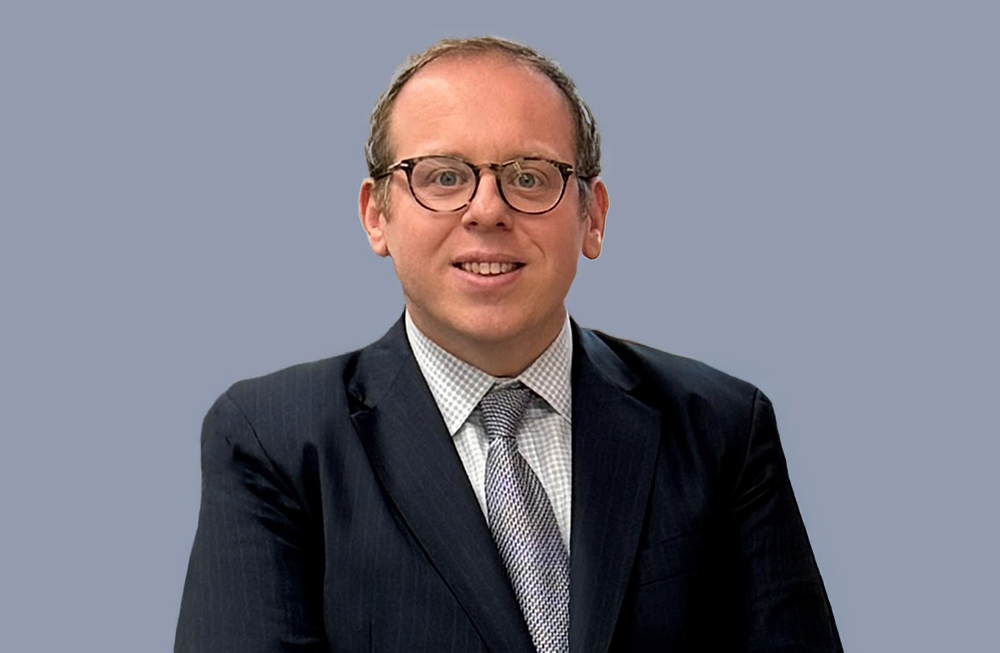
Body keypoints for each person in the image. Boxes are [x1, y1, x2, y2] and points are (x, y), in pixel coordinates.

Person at [175, 37, 843, 652]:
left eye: (529, 177)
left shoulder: (721, 427)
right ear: (376, 215)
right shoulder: (275, 440)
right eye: (441, 176)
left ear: (593, 216)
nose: (487, 210)